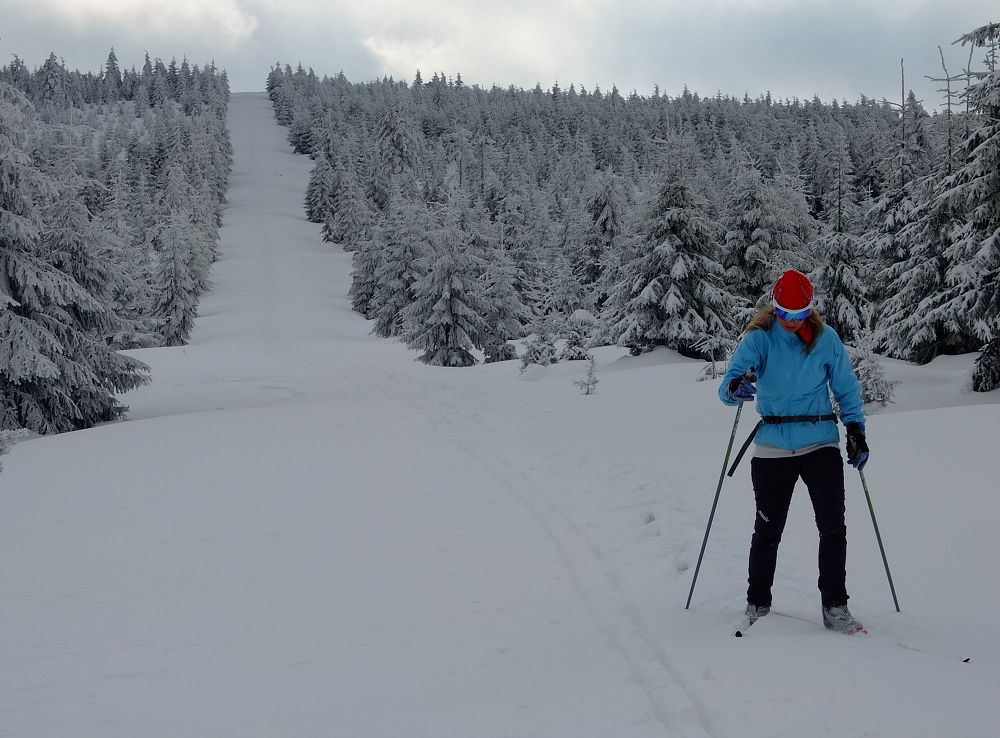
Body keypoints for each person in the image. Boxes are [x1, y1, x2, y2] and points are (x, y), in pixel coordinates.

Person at [719, 269, 870, 634]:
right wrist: (736, 387)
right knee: (768, 528)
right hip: (772, 445)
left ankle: (835, 605)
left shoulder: (825, 339)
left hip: (819, 441)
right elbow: (728, 385)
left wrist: (855, 430)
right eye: (785, 314)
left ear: (809, 311)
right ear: (774, 308)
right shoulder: (759, 339)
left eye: (799, 315)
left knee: (833, 526)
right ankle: (758, 600)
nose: (791, 322)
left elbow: (846, 388)